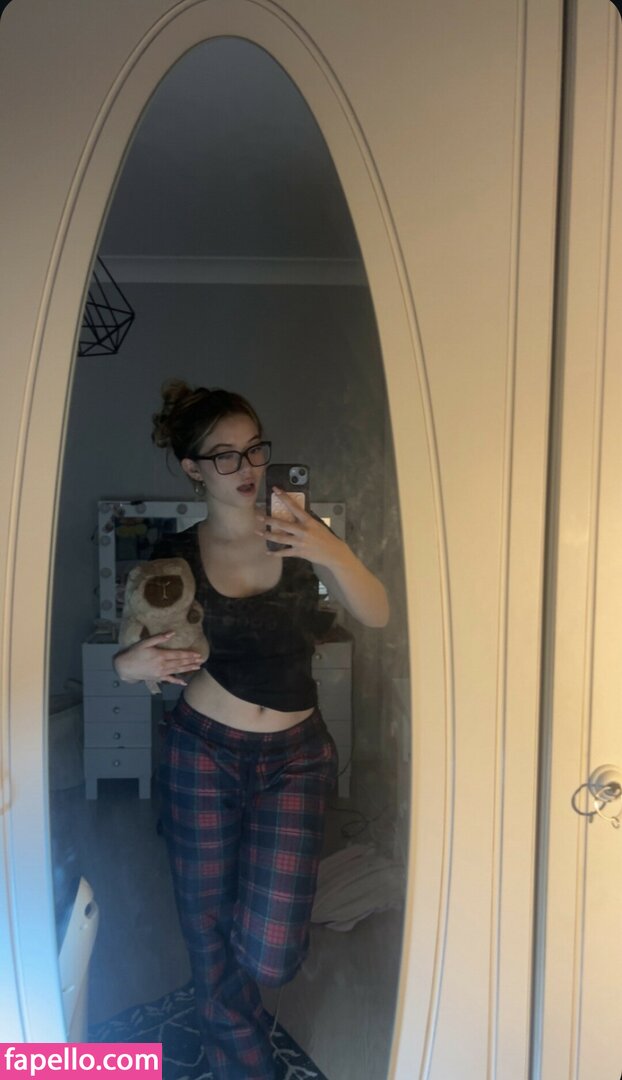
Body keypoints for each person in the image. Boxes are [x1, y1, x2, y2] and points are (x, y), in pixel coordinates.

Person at [113, 380, 389, 1080]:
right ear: (193, 468)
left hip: (296, 757)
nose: (247, 468)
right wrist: (131, 664)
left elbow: (377, 612)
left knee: (272, 949)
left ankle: (231, 983)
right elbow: (136, 652)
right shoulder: (173, 553)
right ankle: (241, 1061)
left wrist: (331, 550)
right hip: (201, 752)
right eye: (225, 456)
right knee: (206, 931)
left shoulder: (300, 536)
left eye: (255, 449)